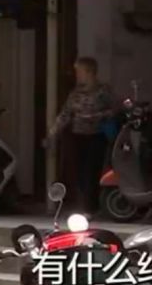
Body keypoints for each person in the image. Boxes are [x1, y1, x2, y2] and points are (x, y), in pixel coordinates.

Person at [44, 57, 116, 214]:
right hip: (78, 136)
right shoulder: (75, 93)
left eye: (79, 71)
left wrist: (95, 116)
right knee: (79, 172)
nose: (77, 75)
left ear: (89, 72)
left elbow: (114, 110)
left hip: (96, 136)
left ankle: (91, 207)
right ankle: (82, 205)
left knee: (92, 171)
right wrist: (53, 131)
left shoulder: (103, 91)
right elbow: (66, 113)